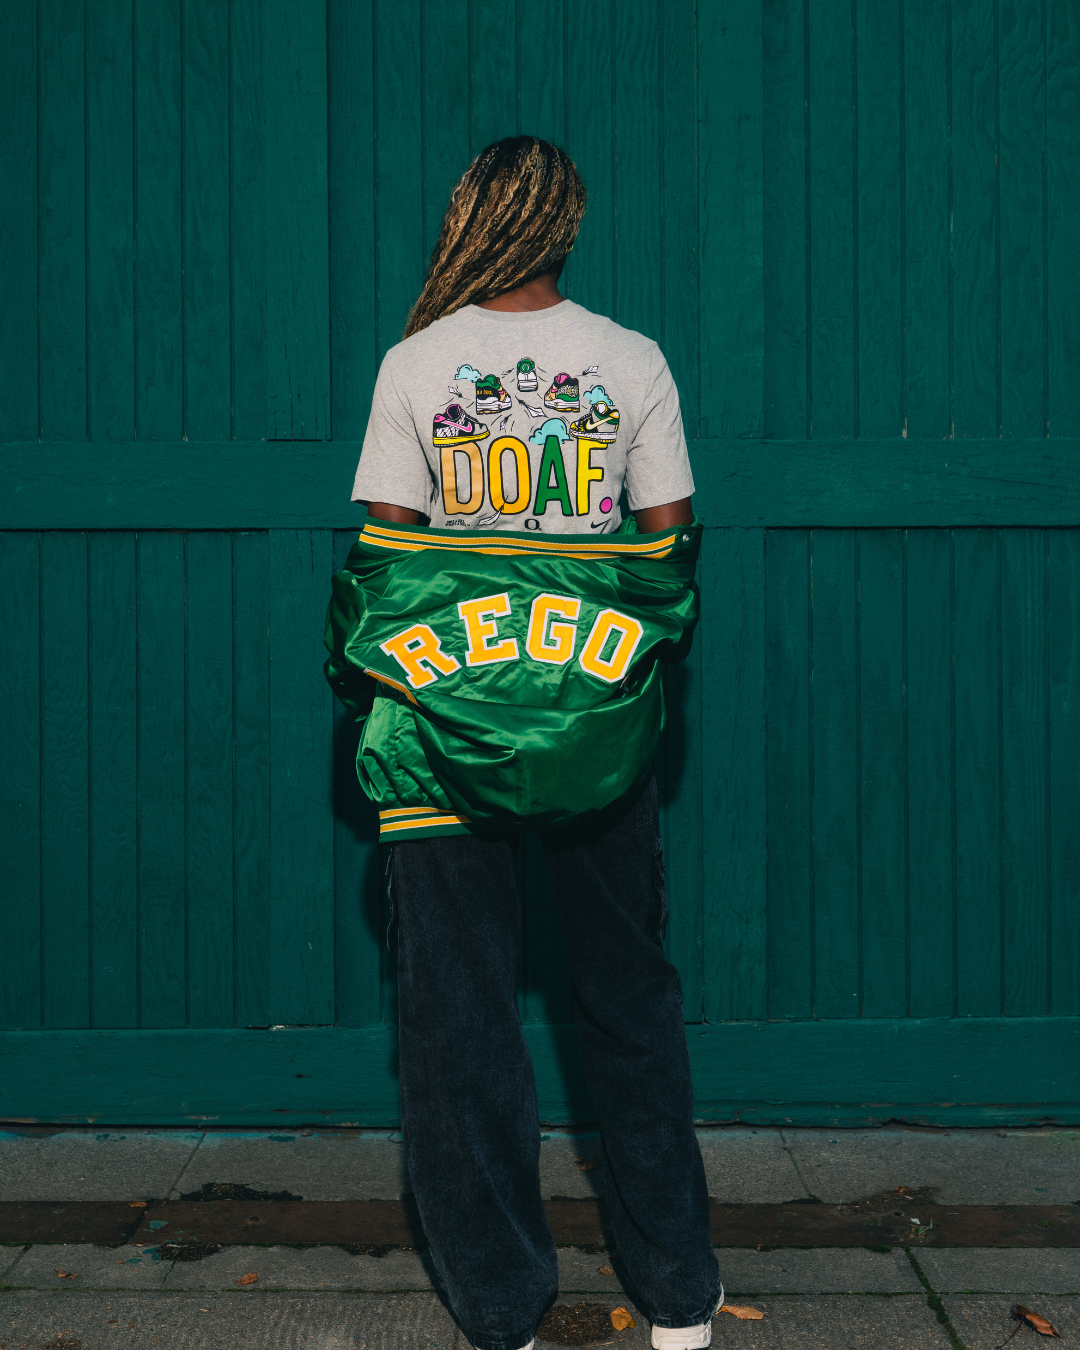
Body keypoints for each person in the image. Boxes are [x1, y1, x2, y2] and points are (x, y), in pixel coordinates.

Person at [345, 136, 721, 1350]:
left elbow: (390, 556)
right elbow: (669, 547)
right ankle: (678, 1300)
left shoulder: (416, 362)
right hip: (590, 719)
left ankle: (501, 1307)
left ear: (470, 218)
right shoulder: (630, 359)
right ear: (567, 224)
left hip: (446, 723)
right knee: (627, 1000)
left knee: (458, 1018)